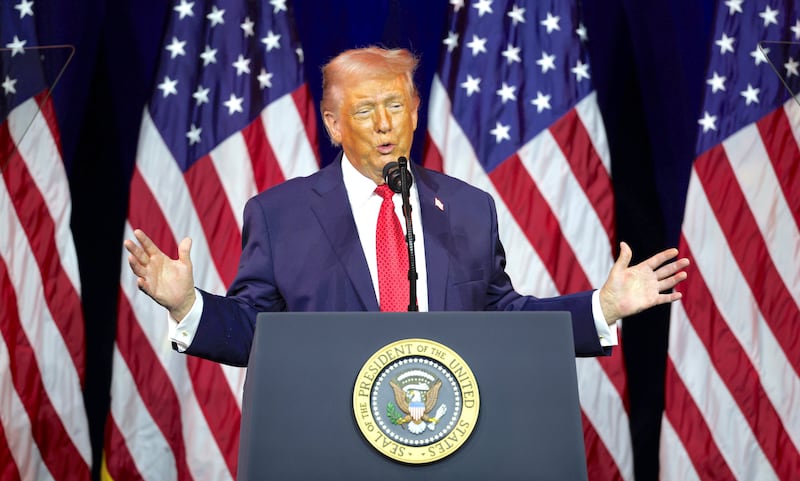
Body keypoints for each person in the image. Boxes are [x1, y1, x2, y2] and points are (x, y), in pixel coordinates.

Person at [124, 46, 689, 367]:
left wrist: (601, 308)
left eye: (396, 104)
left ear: (416, 111)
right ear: (332, 124)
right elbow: (254, 332)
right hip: (326, 467)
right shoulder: (280, 215)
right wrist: (188, 306)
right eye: (366, 110)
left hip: (449, 459)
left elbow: (505, 321)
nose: (386, 124)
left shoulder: (468, 209)